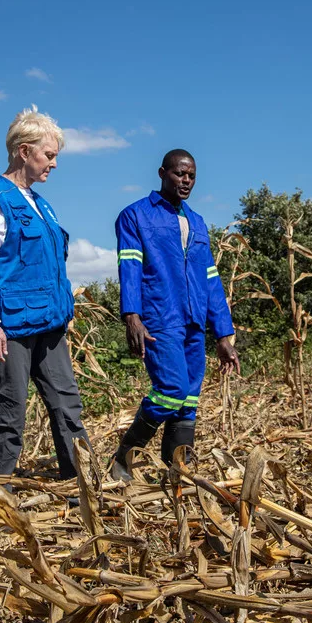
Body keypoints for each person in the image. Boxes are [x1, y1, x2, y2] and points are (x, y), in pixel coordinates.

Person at [0, 104, 91, 482]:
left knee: (67, 403)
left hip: (49, 323)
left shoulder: (42, 205)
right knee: (11, 409)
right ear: (24, 151)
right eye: (49, 155)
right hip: (12, 328)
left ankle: (81, 483)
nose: (53, 163)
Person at [110, 149, 240, 481]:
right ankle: (123, 459)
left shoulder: (196, 222)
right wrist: (132, 316)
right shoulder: (135, 215)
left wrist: (223, 335)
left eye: (191, 176)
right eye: (179, 174)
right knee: (171, 388)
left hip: (194, 320)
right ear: (162, 173)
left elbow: (211, 280)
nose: (185, 181)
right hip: (159, 317)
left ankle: (177, 472)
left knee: (188, 399)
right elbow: (130, 267)